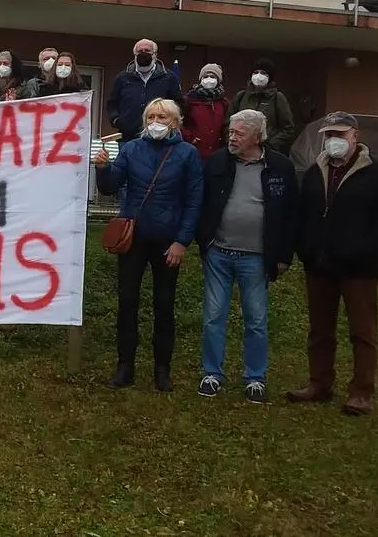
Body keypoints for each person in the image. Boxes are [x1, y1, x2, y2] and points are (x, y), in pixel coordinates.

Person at [288, 111, 378, 416]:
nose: (333, 140)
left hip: (359, 269)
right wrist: (305, 248)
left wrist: (363, 248)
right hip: (319, 264)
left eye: (340, 134)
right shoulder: (315, 171)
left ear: (355, 136)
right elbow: (302, 214)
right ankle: (319, 383)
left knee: (362, 332)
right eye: (329, 135)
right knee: (320, 330)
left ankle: (361, 392)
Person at [94, 98, 203, 392]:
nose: (156, 122)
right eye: (151, 117)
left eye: (162, 117)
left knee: (164, 305)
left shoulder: (187, 154)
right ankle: (125, 366)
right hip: (133, 238)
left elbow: (194, 201)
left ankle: (162, 369)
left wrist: (182, 241)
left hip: (168, 241)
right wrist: (103, 168)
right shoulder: (131, 149)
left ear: (175, 122)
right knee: (127, 302)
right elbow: (110, 187)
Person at [195, 110, 299, 403]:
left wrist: (284, 255)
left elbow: (291, 214)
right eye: (231, 132)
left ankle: (255, 378)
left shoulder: (280, 167)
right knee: (213, 317)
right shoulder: (217, 162)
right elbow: (202, 200)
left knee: (256, 319)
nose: (232, 138)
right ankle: (211, 373)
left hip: (257, 257)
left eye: (239, 133)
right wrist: (204, 241)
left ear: (257, 136)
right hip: (218, 252)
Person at [107, 39, 182, 140]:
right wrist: (116, 120)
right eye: (140, 51)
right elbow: (112, 103)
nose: (143, 53)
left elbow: (177, 104)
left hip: (160, 137)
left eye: (147, 51)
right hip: (128, 136)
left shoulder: (168, 78)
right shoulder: (122, 78)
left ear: (155, 54)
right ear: (135, 55)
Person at [231, 58, 296, 155]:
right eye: (255, 72)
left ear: (270, 77)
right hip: (241, 150)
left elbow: (288, 129)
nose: (258, 75)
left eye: (263, 73)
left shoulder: (277, 98)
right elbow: (228, 123)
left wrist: (269, 145)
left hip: (267, 152)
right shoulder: (241, 96)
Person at [181, 63, 230, 160]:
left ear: (218, 80)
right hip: (193, 150)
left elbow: (226, 125)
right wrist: (190, 137)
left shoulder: (224, 103)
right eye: (205, 76)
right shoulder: (189, 100)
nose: (209, 79)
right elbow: (178, 122)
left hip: (216, 152)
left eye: (212, 76)